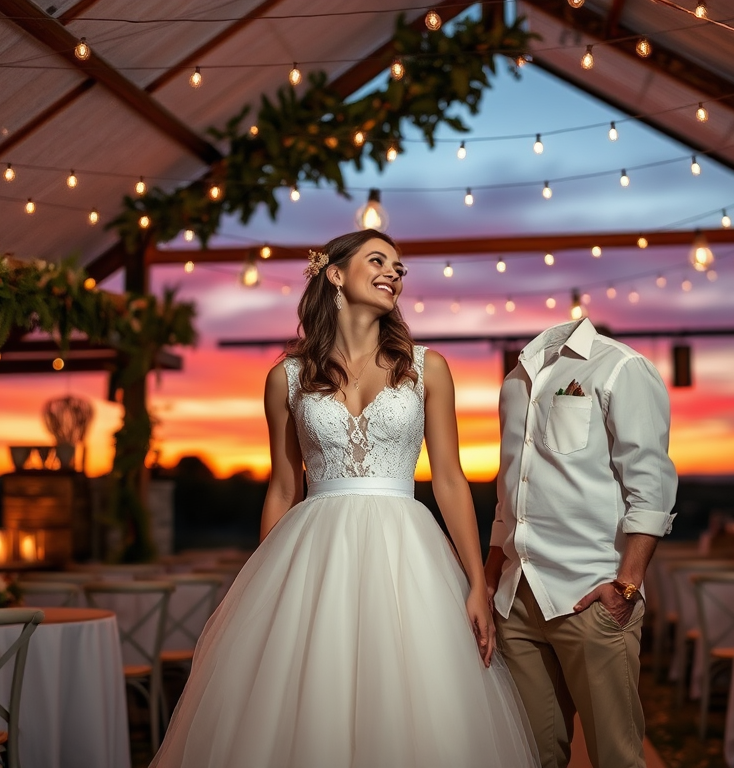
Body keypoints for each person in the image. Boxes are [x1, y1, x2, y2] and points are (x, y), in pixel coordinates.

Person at [152, 230, 538, 768]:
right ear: (335, 274)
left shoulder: (428, 368)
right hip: (313, 555)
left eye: (400, 268)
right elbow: (284, 487)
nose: (394, 273)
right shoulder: (286, 376)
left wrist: (476, 583)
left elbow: (449, 480)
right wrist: (266, 585)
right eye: (378, 260)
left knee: (411, 699)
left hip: (407, 553)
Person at [484, 317, 678, 768]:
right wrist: (492, 579)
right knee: (531, 755)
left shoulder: (621, 367)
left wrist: (627, 585)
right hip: (517, 601)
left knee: (617, 756)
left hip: (592, 596)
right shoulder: (514, 382)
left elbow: (650, 487)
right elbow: (509, 492)